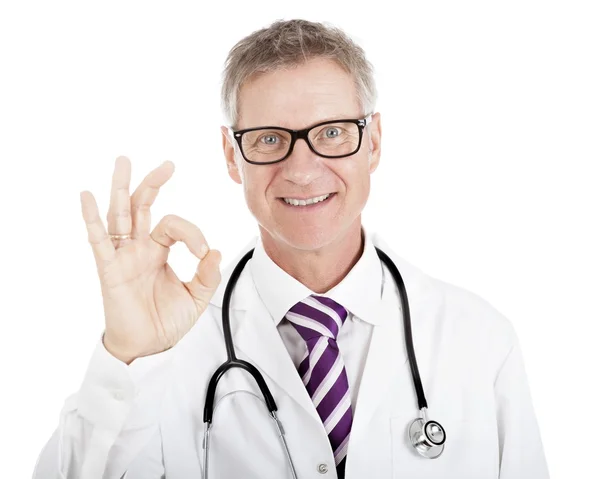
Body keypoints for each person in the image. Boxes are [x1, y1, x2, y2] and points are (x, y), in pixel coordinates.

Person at [33, 19, 549, 479]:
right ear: (232, 156)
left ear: (373, 143)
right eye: (268, 139)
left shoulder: (480, 342)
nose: (302, 170)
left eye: (331, 132)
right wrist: (127, 355)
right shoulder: (167, 352)